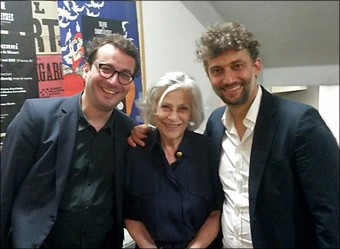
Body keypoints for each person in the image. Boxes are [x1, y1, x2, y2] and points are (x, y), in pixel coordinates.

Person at [127, 21, 339, 248]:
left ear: (257, 66)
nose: (228, 79)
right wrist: (150, 130)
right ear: (209, 76)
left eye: (237, 66)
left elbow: (331, 213)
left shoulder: (300, 123)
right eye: (217, 70)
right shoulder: (216, 126)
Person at [1, 33, 140, 249]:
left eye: (125, 75)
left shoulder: (129, 133)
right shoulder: (37, 117)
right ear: (86, 69)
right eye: (106, 69)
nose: (114, 81)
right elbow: (5, 188)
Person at [124, 72, 223, 249]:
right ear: (154, 109)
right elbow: (131, 214)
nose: (173, 117)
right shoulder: (136, 151)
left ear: (192, 112)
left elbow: (216, 212)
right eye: (165, 107)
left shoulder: (209, 150)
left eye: (182, 108)